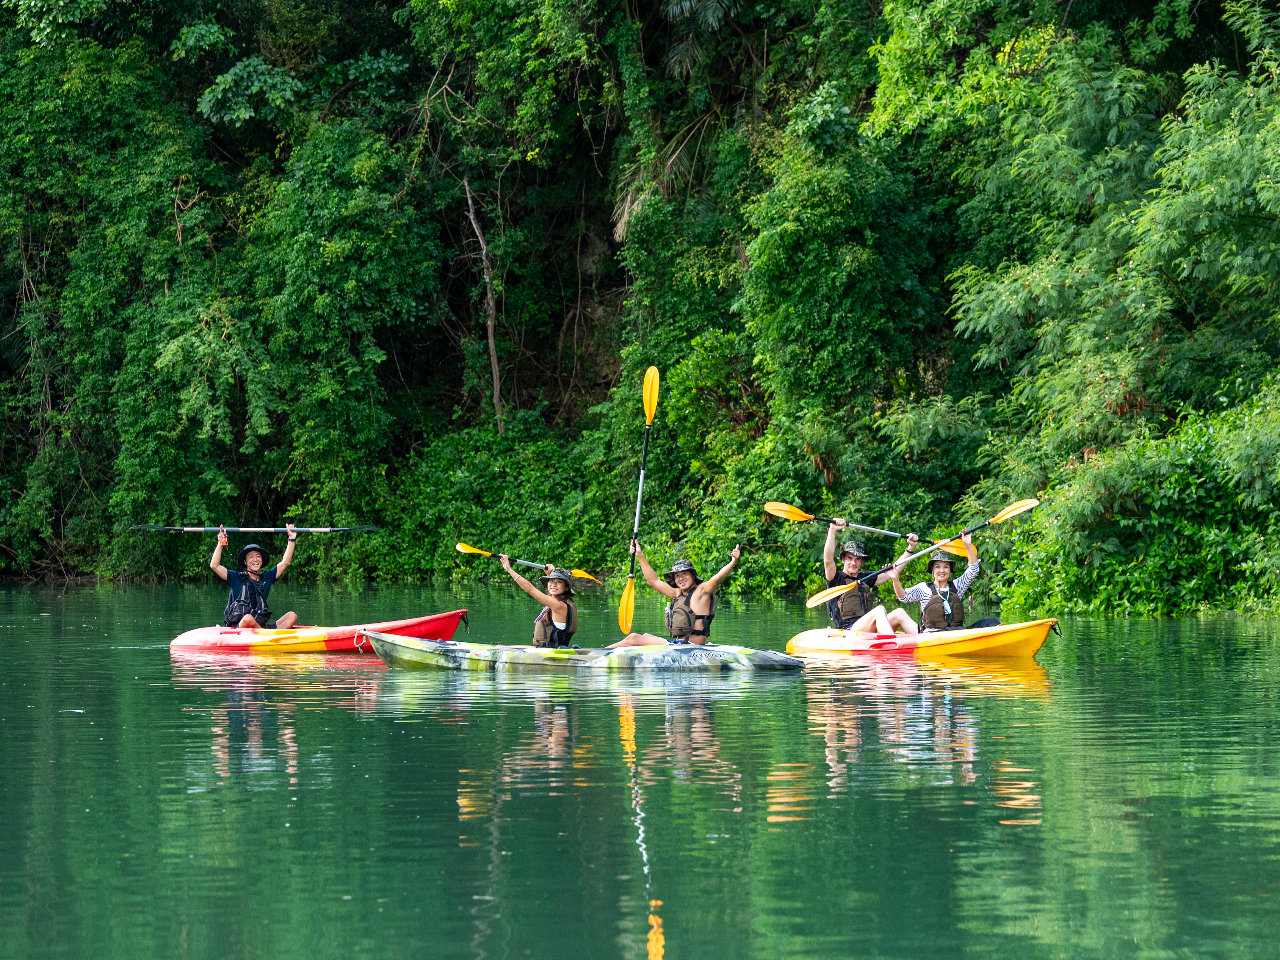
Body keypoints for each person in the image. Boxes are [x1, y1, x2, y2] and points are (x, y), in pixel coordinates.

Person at [609, 540, 740, 647]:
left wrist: (733, 562)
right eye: (677, 576)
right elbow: (654, 581)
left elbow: (717, 578)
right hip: (678, 646)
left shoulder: (702, 591)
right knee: (646, 636)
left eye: (684, 574)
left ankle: (599, 653)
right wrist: (640, 555)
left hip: (690, 648)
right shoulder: (677, 593)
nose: (681, 578)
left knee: (634, 638)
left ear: (693, 576)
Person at [822, 520, 918, 635]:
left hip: (868, 628)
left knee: (899, 613)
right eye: (850, 558)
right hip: (848, 631)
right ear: (843, 560)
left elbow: (894, 570)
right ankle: (891, 642)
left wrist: (910, 548)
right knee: (879, 610)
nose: (854, 563)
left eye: (858, 559)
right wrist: (832, 530)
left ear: (862, 562)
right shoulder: (835, 578)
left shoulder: (866, 578)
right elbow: (828, 560)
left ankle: (924, 639)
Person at [890, 532, 985, 631]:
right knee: (900, 612)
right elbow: (903, 596)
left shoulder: (957, 586)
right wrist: (895, 579)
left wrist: (968, 545)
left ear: (950, 570)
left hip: (956, 633)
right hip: (932, 636)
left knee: (989, 622)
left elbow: (973, 570)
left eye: (946, 567)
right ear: (932, 570)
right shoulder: (923, 588)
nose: (942, 570)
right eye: (937, 567)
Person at [210, 524, 299, 630]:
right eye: (251, 557)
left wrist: (291, 539)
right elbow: (214, 565)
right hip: (241, 628)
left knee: (291, 616)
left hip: (260, 627)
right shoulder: (236, 577)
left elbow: (285, 562)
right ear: (245, 561)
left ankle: (264, 634)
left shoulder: (267, 577)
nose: (255, 559)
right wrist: (220, 544)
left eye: (258, 556)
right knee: (248, 619)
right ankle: (266, 635)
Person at [499, 556, 578, 648]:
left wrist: (509, 569)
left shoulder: (559, 605)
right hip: (550, 649)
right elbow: (550, 597)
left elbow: (530, 589)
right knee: (503, 647)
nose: (553, 584)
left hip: (550, 653)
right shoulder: (565, 602)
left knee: (503, 648)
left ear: (566, 587)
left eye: (559, 582)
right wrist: (550, 574)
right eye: (551, 581)